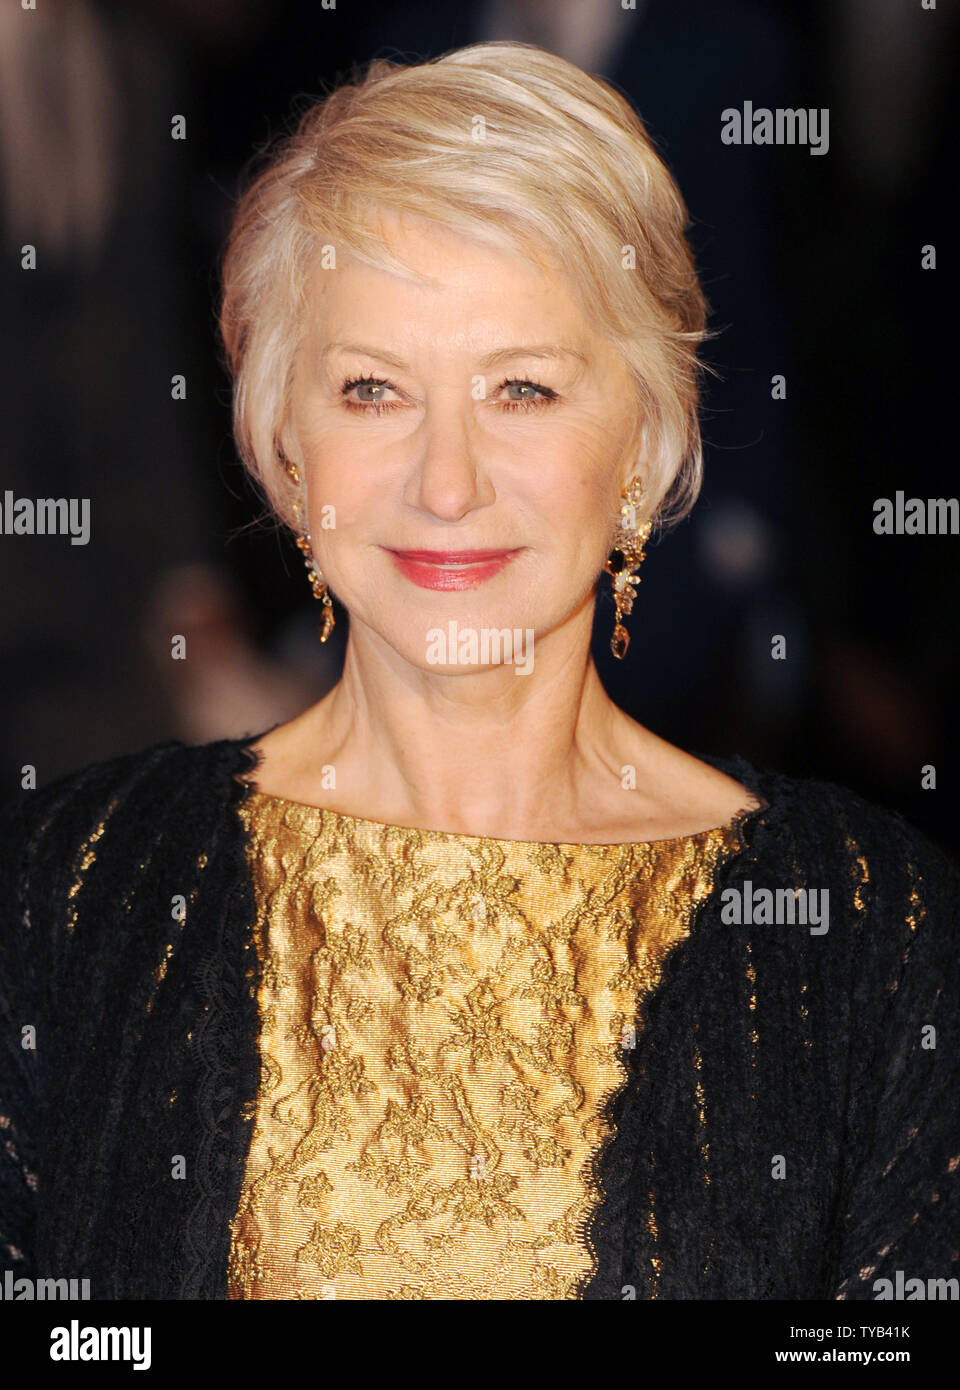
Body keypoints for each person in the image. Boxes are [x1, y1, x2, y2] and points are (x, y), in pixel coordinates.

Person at [1, 42, 957, 1302]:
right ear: (285, 447)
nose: (445, 482)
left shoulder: (873, 932)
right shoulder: (74, 887)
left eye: (521, 389)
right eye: (372, 391)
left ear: (646, 436)